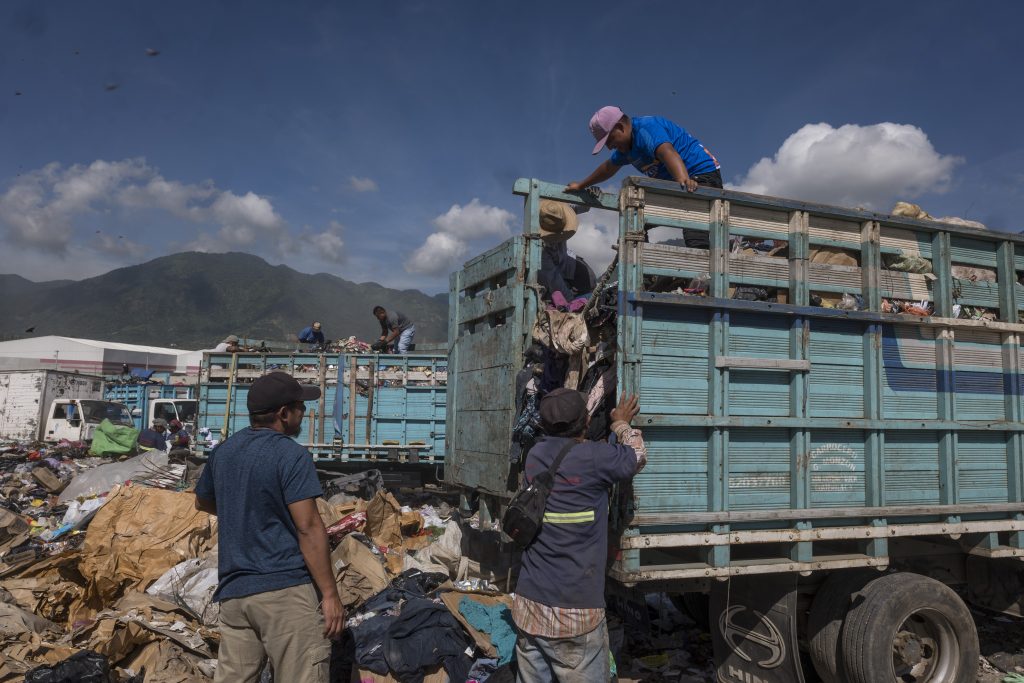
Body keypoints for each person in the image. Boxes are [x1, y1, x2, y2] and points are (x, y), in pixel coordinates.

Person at [194, 372, 344, 682]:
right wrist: (330, 595)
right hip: (284, 593)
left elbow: (202, 502)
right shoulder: (291, 455)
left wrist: (244, 510)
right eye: (301, 406)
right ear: (284, 414)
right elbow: (308, 528)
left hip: (235, 596)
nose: (305, 412)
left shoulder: (224, 452)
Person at [512, 388, 646, 682]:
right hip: (575, 612)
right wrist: (621, 423)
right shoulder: (595, 458)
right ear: (586, 420)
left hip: (529, 605)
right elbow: (636, 457)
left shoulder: (534, 456)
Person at [567, 105, 722, 247]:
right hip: (675, 185)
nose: (609, 147)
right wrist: (581, 185)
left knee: (694, 231)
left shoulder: (646, 129)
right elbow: (608, 168)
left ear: (620, 127)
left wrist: (682, 183)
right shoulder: (626, 150)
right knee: (636, 221)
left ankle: (703, 276)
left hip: (699, 176)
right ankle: (644, 272)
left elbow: (668, 152)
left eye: (609, 140)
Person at [536, 200, 596, 309]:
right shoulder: (539, 251)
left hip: (565, 260)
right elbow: (554, 281)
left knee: (589, 277)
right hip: (550, 275)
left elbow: (584, 206)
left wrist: (589, 197)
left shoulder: (558, 211)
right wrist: (571, 303)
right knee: (560, 296)